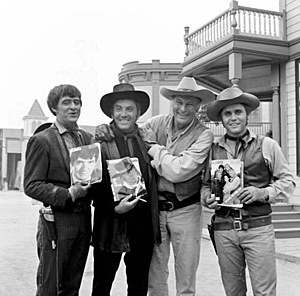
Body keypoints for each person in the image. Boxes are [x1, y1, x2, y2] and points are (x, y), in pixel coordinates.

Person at [95, 76, 216, 296]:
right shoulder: (154, 124)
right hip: (155, 211)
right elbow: (125, 126)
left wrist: (153, 146)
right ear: (172, 103)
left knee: (185, 275)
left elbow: (177, 171)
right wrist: (104, 127)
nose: (183, 108)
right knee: (155, 276)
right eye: (179, 102)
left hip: (185, 209)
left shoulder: (204, 134)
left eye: (190, 104)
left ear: (199, 107)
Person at [201, 86, 295, 296]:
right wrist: (208, 199)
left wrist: (263, 193)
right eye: (227, 113)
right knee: (233, 292)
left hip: (258, 228)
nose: (233, 118)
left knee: (264, 292)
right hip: (224, 230)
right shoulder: (212, 150)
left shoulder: (267, 145)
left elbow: (288, 181)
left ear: (247, 115)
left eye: (238, 112)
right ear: (221, 119)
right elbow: (205, 185)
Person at [24, 84, 95, 296]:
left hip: (83, 219)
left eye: (77, 102)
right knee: (50, 286)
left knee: (72, 286)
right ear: (54, 108)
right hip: (56, 220)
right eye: (67, 102)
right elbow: (32, 185)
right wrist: (67, 194)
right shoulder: (42, 140)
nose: (73, 107)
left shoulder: (87, 139)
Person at [91, 83, 161, 296]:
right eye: (119, 109)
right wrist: (114, 208)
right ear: (111, 112)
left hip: (141, 227)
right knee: (102, 286)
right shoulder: (100, 142)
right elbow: (91, 187)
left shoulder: (147, 140)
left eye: (129, 109)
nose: (124, 114)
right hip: (109, 226)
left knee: (138, 286)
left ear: (138, 112)